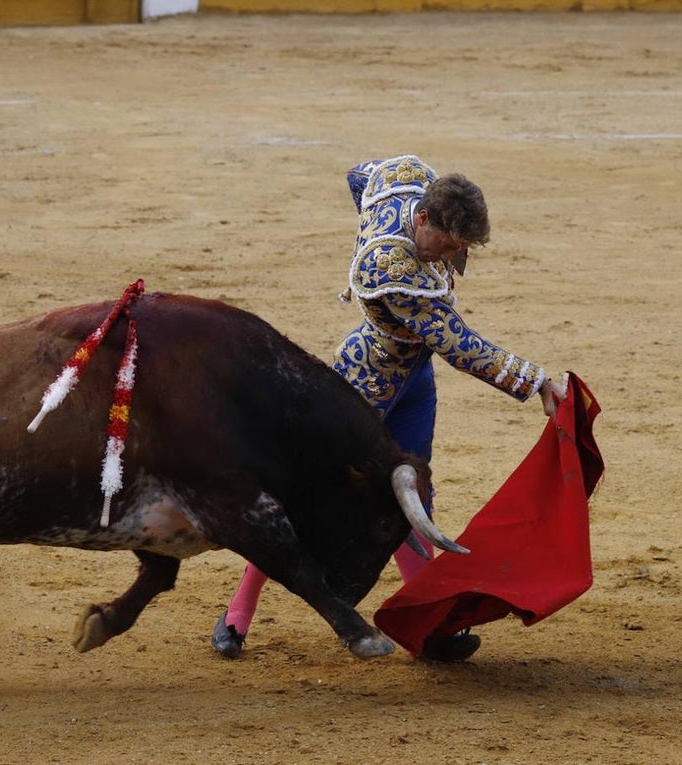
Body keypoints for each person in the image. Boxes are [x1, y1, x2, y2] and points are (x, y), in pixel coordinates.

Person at [211, 155, 565, 662]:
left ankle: (429, 627)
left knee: (415, 496)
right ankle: (237, 613)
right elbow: (459, 345)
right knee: (302, 494)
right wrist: (535, 381)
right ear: (422, 219)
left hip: (413, 384)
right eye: (449, 243)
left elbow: (362, 174)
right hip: (363, 385)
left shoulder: (406, 183)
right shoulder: (391, 269)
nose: (453, 255)